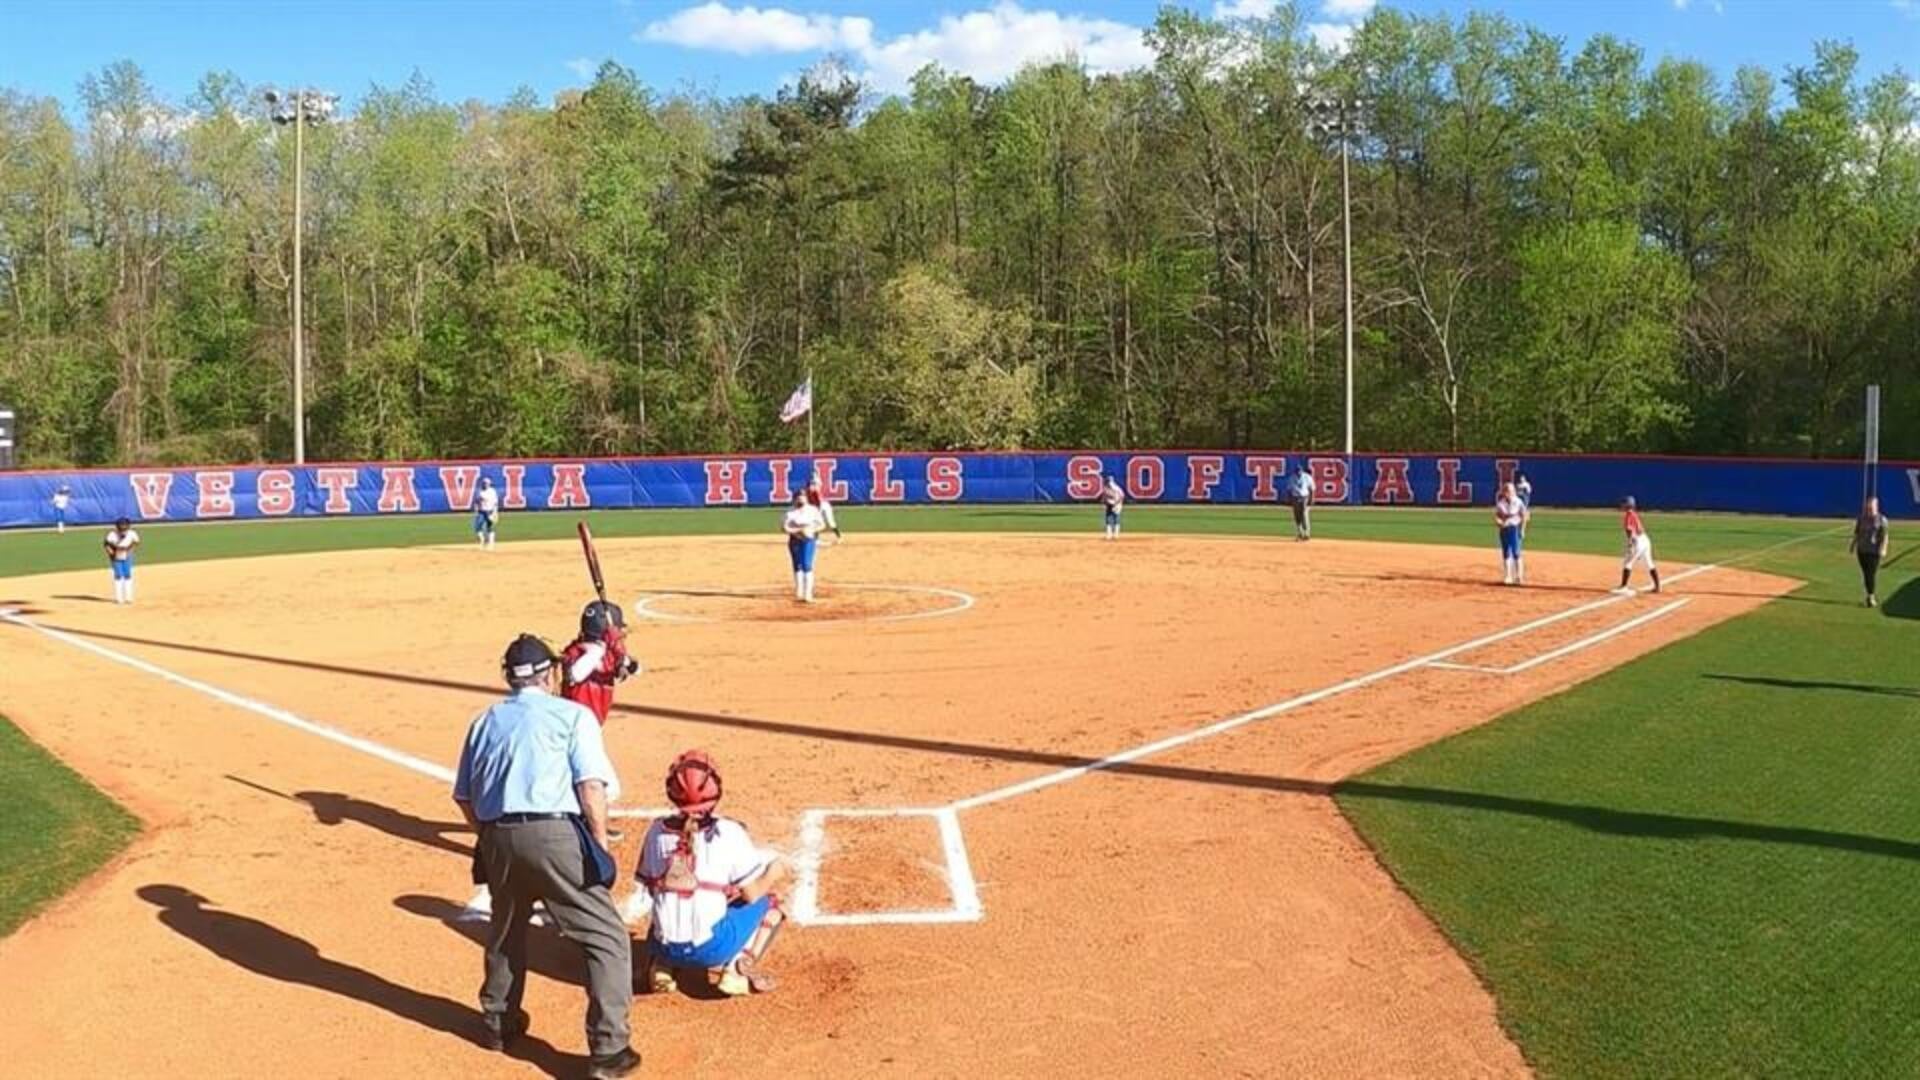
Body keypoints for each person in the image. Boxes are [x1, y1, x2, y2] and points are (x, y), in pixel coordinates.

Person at [452, 634, 640, 1079]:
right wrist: (598, 846)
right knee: (606, 937)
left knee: (506, 928)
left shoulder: (483, 722)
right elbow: (591, 788)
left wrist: (494, 837)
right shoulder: (572, 715)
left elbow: (463, 797)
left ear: (508, 677)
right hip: (555, 834)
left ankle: (498, 1021)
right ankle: (609, 1051)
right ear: (550, 672)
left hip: (496, 836)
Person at [631, 750, 790, 998]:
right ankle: (738, 969)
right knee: (770, 904)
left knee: (670, 897)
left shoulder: (655, 831)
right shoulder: (729, 832)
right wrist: (773, 872)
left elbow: (652, 889)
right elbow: (751, 895)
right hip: (712, 949)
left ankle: (661, 966)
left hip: (662, 946)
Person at [563, 600, 642, 726]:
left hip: (594, 723)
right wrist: (602, 648)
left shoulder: (609, 653)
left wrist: (622, 657)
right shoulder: (576, 652)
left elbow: (637, 669)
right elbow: (575, 675)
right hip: (573, 725)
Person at [783, 490, 825, 603]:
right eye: (799, 497)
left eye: (803, 497)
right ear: (794, 499)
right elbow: (784, 528)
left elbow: (822, 525)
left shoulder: (812, 510)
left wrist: (811, 530)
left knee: (807, 564)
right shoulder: (790, 512)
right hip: (795, 540)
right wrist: (799, 530)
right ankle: (799, 592)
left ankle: (808, 594)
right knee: (797, 566)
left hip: (808, 540)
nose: (801, 499)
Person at [1849, 496, 1890, 607]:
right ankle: (1869, 595)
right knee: (1866, 574)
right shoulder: (1861, 518)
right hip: (1862, 550)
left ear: (1876, 507)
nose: (1869, 510)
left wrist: (1883, 548)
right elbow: (1857, 533)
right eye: (1868, 507)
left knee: (1870, 574)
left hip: (1874, 551)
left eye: (1871, 507)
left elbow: (1885, 536)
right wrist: (1852, 545)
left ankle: (1870, 597)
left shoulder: (1882, 520)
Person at [1615, 496, 1661, 595]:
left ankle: (1623, 586)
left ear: (1628, 505)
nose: (1622, 505)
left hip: (1637, 540)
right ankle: (1657, 586)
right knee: (1649, 563)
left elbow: (1629, 530)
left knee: (1627, 562)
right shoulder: (1634, 514)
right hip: (1645, 539)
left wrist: (1631, 544)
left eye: (1624, 503)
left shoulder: (1628, 515)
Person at [1493, 481, 1530, 586]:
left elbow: (1524, 516)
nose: (1510, 493)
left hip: (1515, 528)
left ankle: (1519, 576)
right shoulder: (1501, 503)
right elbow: (1497, 516)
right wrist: (1498, 522)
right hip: (1504, 529)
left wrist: (1522, 530)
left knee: (1516, 552)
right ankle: (1508, 576)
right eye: (1508, 491)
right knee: (1506, 552)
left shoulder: (1518, 502)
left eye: (1511, 491)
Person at [104, 516, 140, 605]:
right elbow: (106, 544)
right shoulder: (112, 534)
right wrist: (111, 553)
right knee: (118, 576)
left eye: (124, 526)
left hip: (127, 555)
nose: (123, 528)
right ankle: (119, 598)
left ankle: (128, 597)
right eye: (121, 526)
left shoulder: (132, 533)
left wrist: (129, 550)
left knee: (128, 575)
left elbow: (136, 542)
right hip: (116, 556)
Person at [804, 474, 842, 541]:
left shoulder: (815, 492)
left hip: (824, 506)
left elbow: (819, 502)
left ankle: (839, 536)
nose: (810, 487)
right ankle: (816, 538)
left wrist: (817, 512)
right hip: (817, 507)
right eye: (809, 486)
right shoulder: (807, 493)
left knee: (830, 522)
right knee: (815, 522)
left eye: (811, 485)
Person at [1288, 466, 1314, 541]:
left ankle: (1307, 533)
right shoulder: (1292, 478)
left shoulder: (1307, 477)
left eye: (1299, 471)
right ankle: (1300, 533)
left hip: (1304, 497)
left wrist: (1311, 499)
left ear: (1302, 471)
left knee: (1304, 514)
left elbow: (1312, 489)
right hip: (1295, 497)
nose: (1298, 473)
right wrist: (1289, 500)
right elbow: (1289, 490)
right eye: (1297, 472)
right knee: (1297, 516)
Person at [474, 477, 500, 549]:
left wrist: (495, 512)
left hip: (490, 511)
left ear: (489, 484)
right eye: (484, 483)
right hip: (481, 511)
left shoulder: (492, 491)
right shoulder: (479, 491)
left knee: (490, 527)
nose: (485, 484)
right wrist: (476, 511)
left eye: (487, 483)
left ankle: (491, 544)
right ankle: (483, 540)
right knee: (477, 527)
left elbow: (495, 503)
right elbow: (476, 502)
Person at [1100, 475, 1125, 540]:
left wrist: (1116, 504)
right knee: (1108, 519)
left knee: (1116, 518)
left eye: (1107, 481)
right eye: (1106, 481)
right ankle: (1109, 534)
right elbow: (1104, 497)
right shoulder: (1105, 488)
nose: (1106, 482)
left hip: (1117, 504)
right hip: (1109, 504)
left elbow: (1122, 496)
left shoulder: (1116, 488)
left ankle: (1116, 535)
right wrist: (1104, 502)